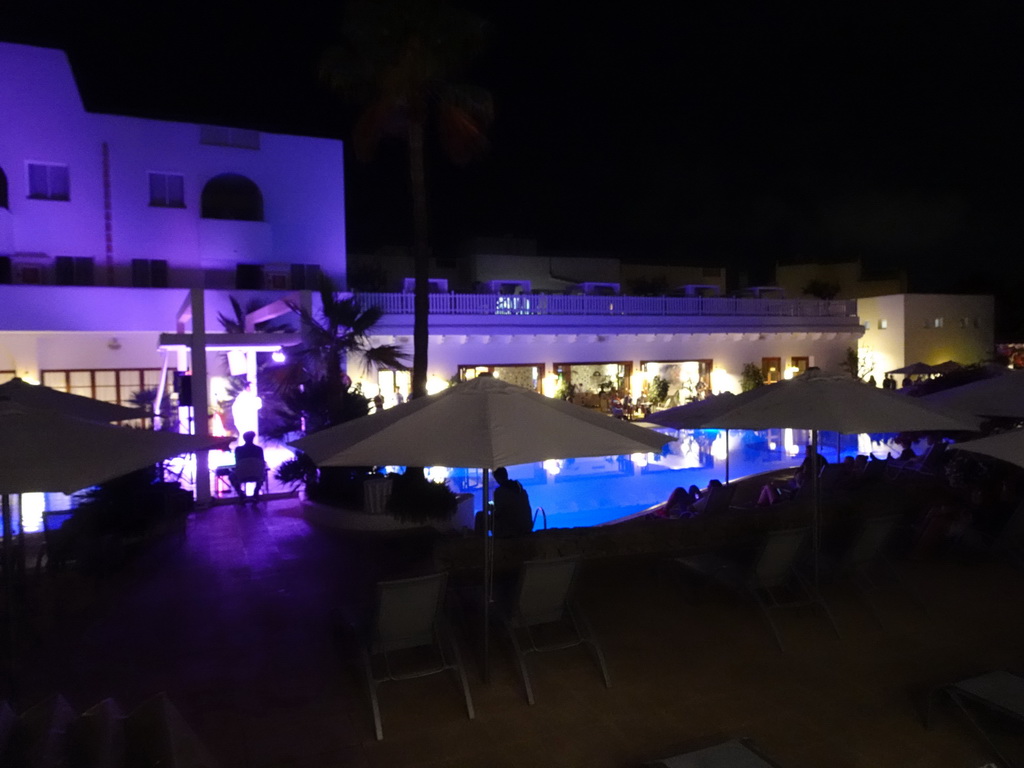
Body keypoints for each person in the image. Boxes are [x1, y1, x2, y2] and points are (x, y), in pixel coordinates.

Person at [477, 466, 533, 537]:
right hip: (526, 527)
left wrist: (490, 508)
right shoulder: (520, 490)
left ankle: (481, 542)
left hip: (509, 529)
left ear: (497, 478)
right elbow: (510, 505)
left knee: (480, 516)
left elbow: (498, 512)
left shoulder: (500, 492)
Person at [230, 430, 266, 498]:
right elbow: (262, 462)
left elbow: (237, 463)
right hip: (257, 475)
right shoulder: (259, 449)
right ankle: (256, 491)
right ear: (253, 438)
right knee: (264, 474)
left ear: (244, 438)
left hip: (241, 475)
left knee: (231, 476)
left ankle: (240, 493)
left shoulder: (238, 450)